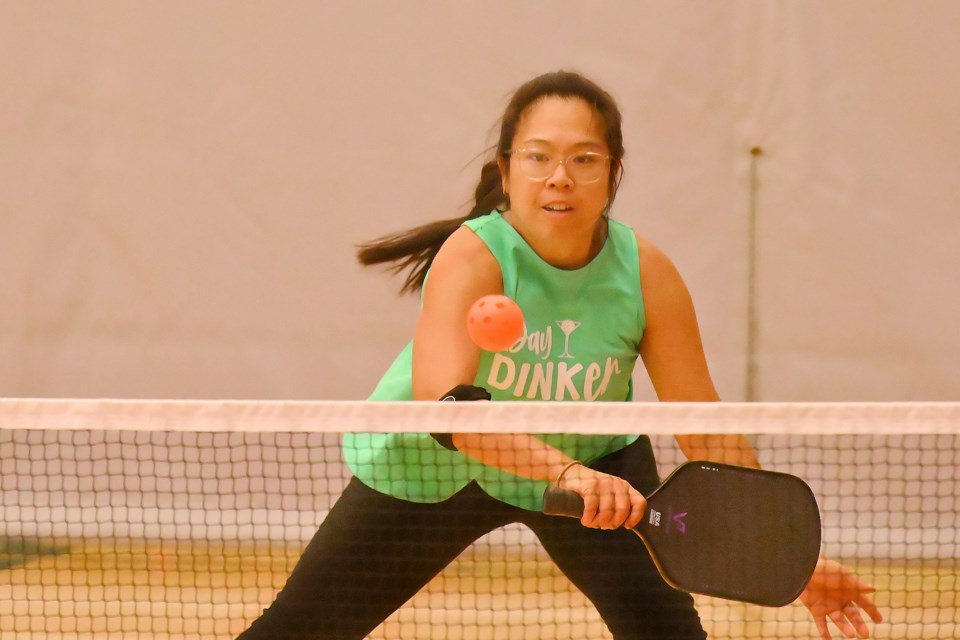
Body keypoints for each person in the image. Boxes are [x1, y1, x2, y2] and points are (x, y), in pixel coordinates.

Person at [238, 70, 882, 640]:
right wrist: (568, 477)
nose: (559, 177)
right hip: (437, 472)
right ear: (508, 166)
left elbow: (702, 421)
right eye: (539, 157)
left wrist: (780, 556)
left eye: (584, 159)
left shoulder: (645, 271)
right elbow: (450, 411)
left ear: (613, 173)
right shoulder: (473, 256)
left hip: (594, 467)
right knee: (298, 631)